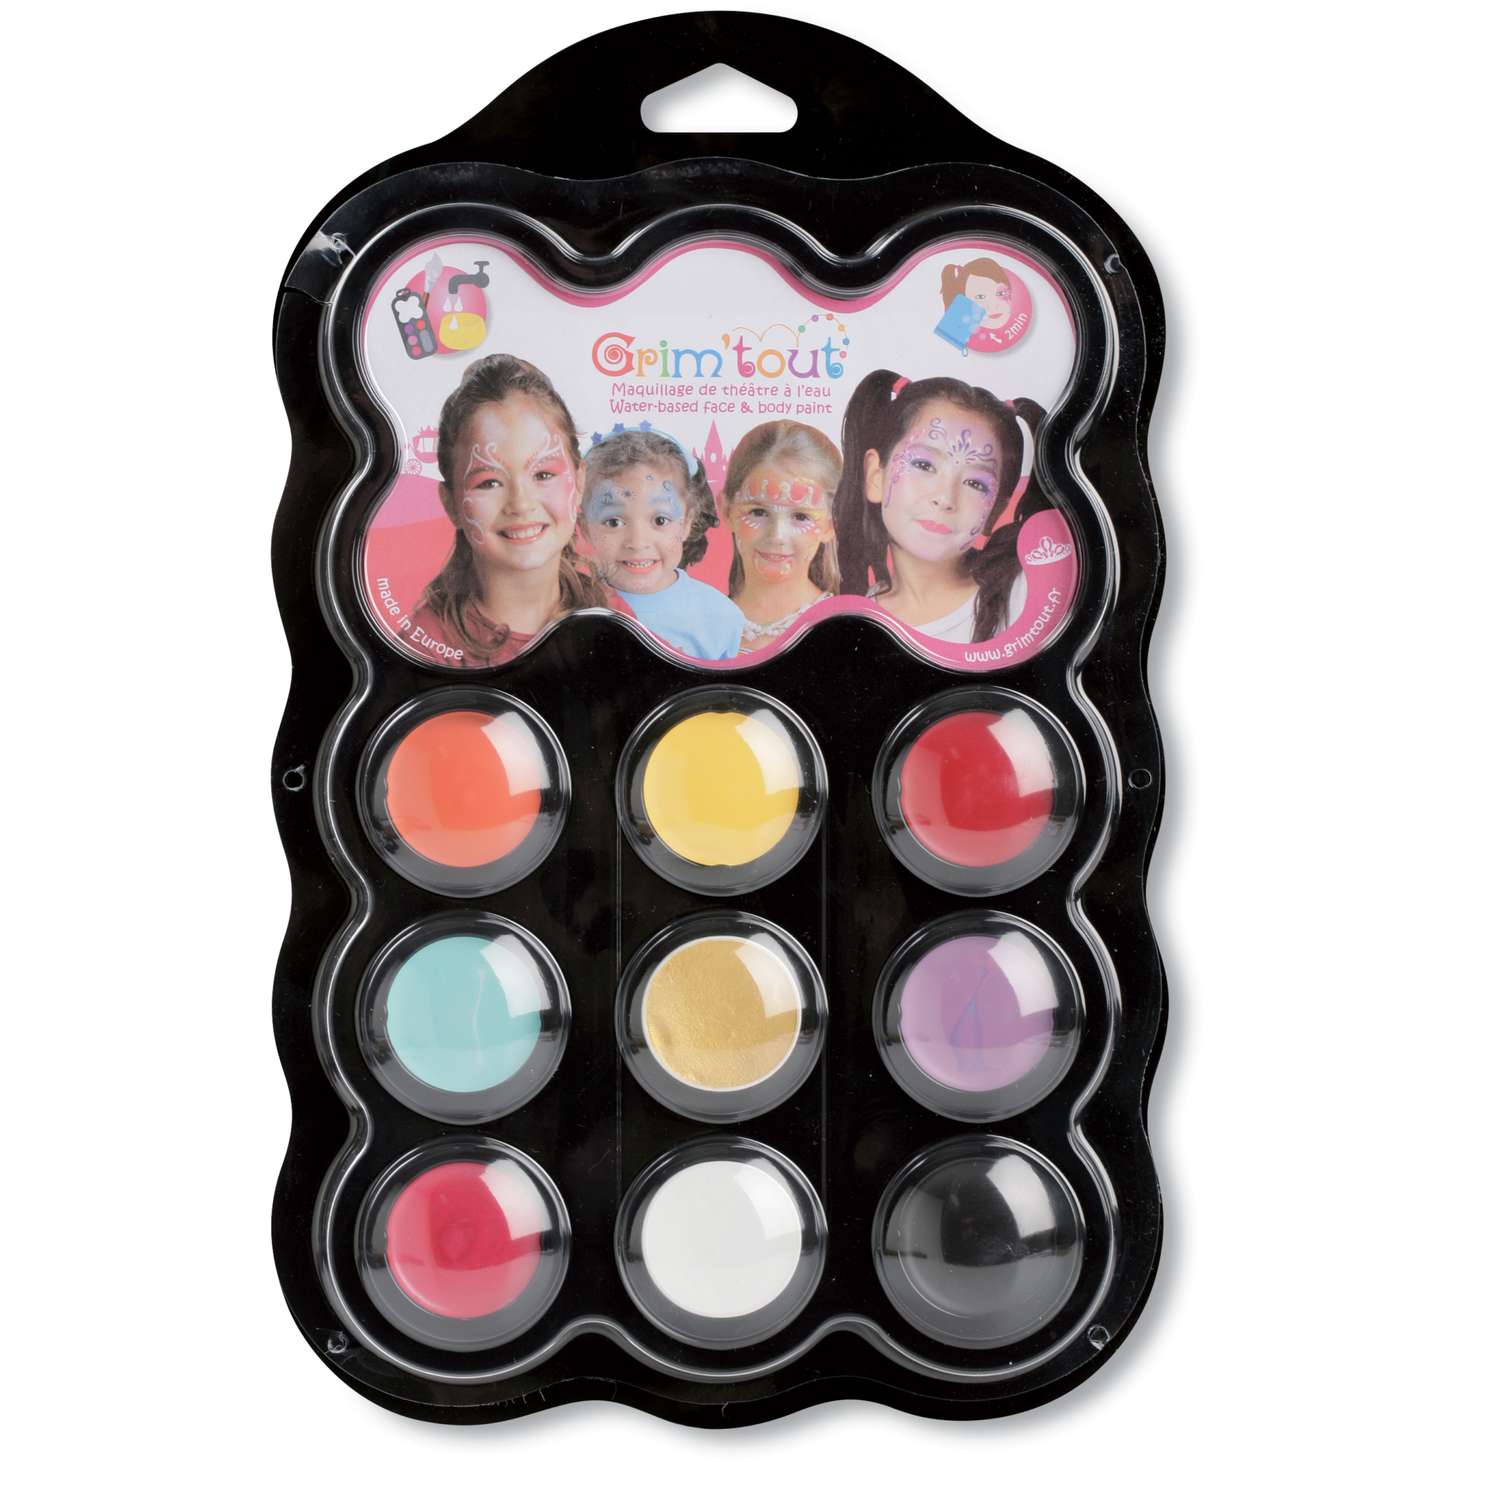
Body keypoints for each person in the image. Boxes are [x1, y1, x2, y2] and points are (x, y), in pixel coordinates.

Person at [412, 354, 605, 667]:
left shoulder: (610, 614)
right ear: (451, 503)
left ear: (580, 481)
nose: (521, 503)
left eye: (543, 474)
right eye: (489, 482)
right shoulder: (427, 648)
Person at [832, 370, 1045, 643]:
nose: (945, 498)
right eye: (924, 465)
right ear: (875, 476)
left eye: (975, 483)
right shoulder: (855, 622)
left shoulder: (1023, 595)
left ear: (995, 510)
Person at [579, 429, 745, 661]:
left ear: (686, 523)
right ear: (585, 528)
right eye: (614, 522)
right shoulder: (573, 607)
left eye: (660, 520)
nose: (638, 542)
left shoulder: (720, 616)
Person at [721, 420, 841, 653]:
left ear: (831, 523)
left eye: (801, 516)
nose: (777, 536)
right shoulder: (699, 627)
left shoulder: (845, 632)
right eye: (758, 512)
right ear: (727, 511)